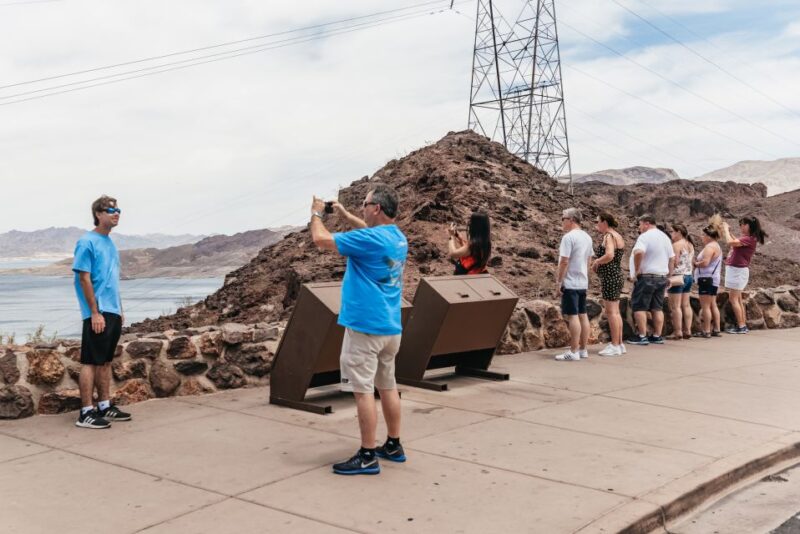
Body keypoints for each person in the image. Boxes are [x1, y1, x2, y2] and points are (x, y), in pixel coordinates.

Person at [310, 185, 408, 475]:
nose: (363, 208)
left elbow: (320, 239)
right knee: (387, 386)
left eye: (365, 204)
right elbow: (367, 230)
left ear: (376, 207)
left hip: (365, 327)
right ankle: (393, 444)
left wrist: (317, 213)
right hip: (390, 327)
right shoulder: (397, 237)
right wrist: (343, 213)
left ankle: (367, 455)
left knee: (363, 391)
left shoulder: (370, 239)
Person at [73, 195, 131, 429]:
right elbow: (84, 278)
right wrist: (94, 312)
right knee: (90, 361)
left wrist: (119, 309)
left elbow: (110, 281)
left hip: (112, 311)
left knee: (105, 361)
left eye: (118, 210)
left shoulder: (110, 244)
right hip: (97, 312)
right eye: (110, 210)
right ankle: (86, 412)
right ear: (98, 214)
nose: (115, 213)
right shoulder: (87, 241)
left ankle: (104, 406)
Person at [626, 214, 675, 346]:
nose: (639, 227)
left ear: (647, 223)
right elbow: (672, 259)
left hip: (647, 277)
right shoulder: (665, 237)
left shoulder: (645, 236)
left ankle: (642, 336)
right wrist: (669, 275)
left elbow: (638, 252)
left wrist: (636, 270)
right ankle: (657, 335)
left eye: (640, 224)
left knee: (640, 307)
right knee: (657, 308)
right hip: (661, 277)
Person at [554, 208, 594, 361]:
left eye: (563, 218)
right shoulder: (587, 237)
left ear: (571, 220)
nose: (562, 221)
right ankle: (583, 349)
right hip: (582, 281)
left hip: (570, 282)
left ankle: (573, 351)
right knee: (583, 315)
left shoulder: (568, 237)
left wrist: (559, 282)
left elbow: (564, 261)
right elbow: (588, 260)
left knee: (573, 316)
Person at [722, 216, 767, 334]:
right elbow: (735, 242)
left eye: (743, 224)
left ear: (749, 226)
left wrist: (726, 230)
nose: (741, 227)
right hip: (737, 271)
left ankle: (741, 326)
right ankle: (742, 324)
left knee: (733, 300)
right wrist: (729, 232)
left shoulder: (749, 239)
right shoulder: (749, 238)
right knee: (738, 300)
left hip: (737, 271)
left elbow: (730, 242)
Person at [590, 211, 626, 357]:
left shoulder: (609, 236)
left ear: (605, 222)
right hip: (616, 275)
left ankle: (615, 345)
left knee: (611, 313)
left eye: (598, 221)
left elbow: (610, 254)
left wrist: (597, 261)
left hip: (610, 277)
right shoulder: (618, 235)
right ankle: (620, 343)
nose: (596, 224)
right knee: (616, 312)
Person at [693, 226, 723, 338]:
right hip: (713, 278)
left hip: (706, 278)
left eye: (703, 235)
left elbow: (705, 263)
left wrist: (696, 264)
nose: (702, 237)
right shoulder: (717, 246)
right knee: (713, 304)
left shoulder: (709, 247)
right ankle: (716, 328)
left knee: (705, 306)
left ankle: (706, 330)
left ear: (708, 236)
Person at [667, 224, 695, 340]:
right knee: (686, 305)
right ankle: (687, 330)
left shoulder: (676, 245)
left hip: (678, 277)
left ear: (678, 232)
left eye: (672, 231)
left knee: (675, 306)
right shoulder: (690, 244)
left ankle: (678, 331)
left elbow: (675, 262)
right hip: (688, 276)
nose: (671, 234)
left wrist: (668, 274)